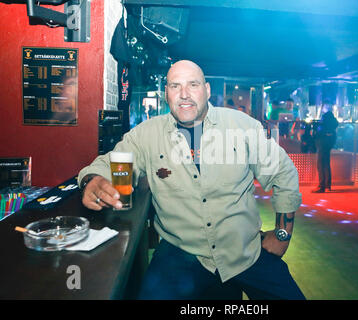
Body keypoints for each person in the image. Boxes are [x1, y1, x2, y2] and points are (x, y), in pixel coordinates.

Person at [77, 60, 305, 300]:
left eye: (192, 85)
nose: (184, 94)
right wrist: (94, 179)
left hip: (243, 250)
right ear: (166, 93)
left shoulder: (243, 127)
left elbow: (283, 172)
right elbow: (111, 162)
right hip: (180, 252)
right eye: (175, 86)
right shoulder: (146, 134)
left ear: (207, 90)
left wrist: (282, 234)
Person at [312, 100, 339, 193]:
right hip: (328, 143)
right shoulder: (331, 117)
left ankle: (321, 186)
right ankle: (327, 186)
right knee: (326, 163)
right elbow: (335, 125)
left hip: (323, 142)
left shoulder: (325, 117)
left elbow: (321, 129)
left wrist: (320, 132)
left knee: (320, 163)